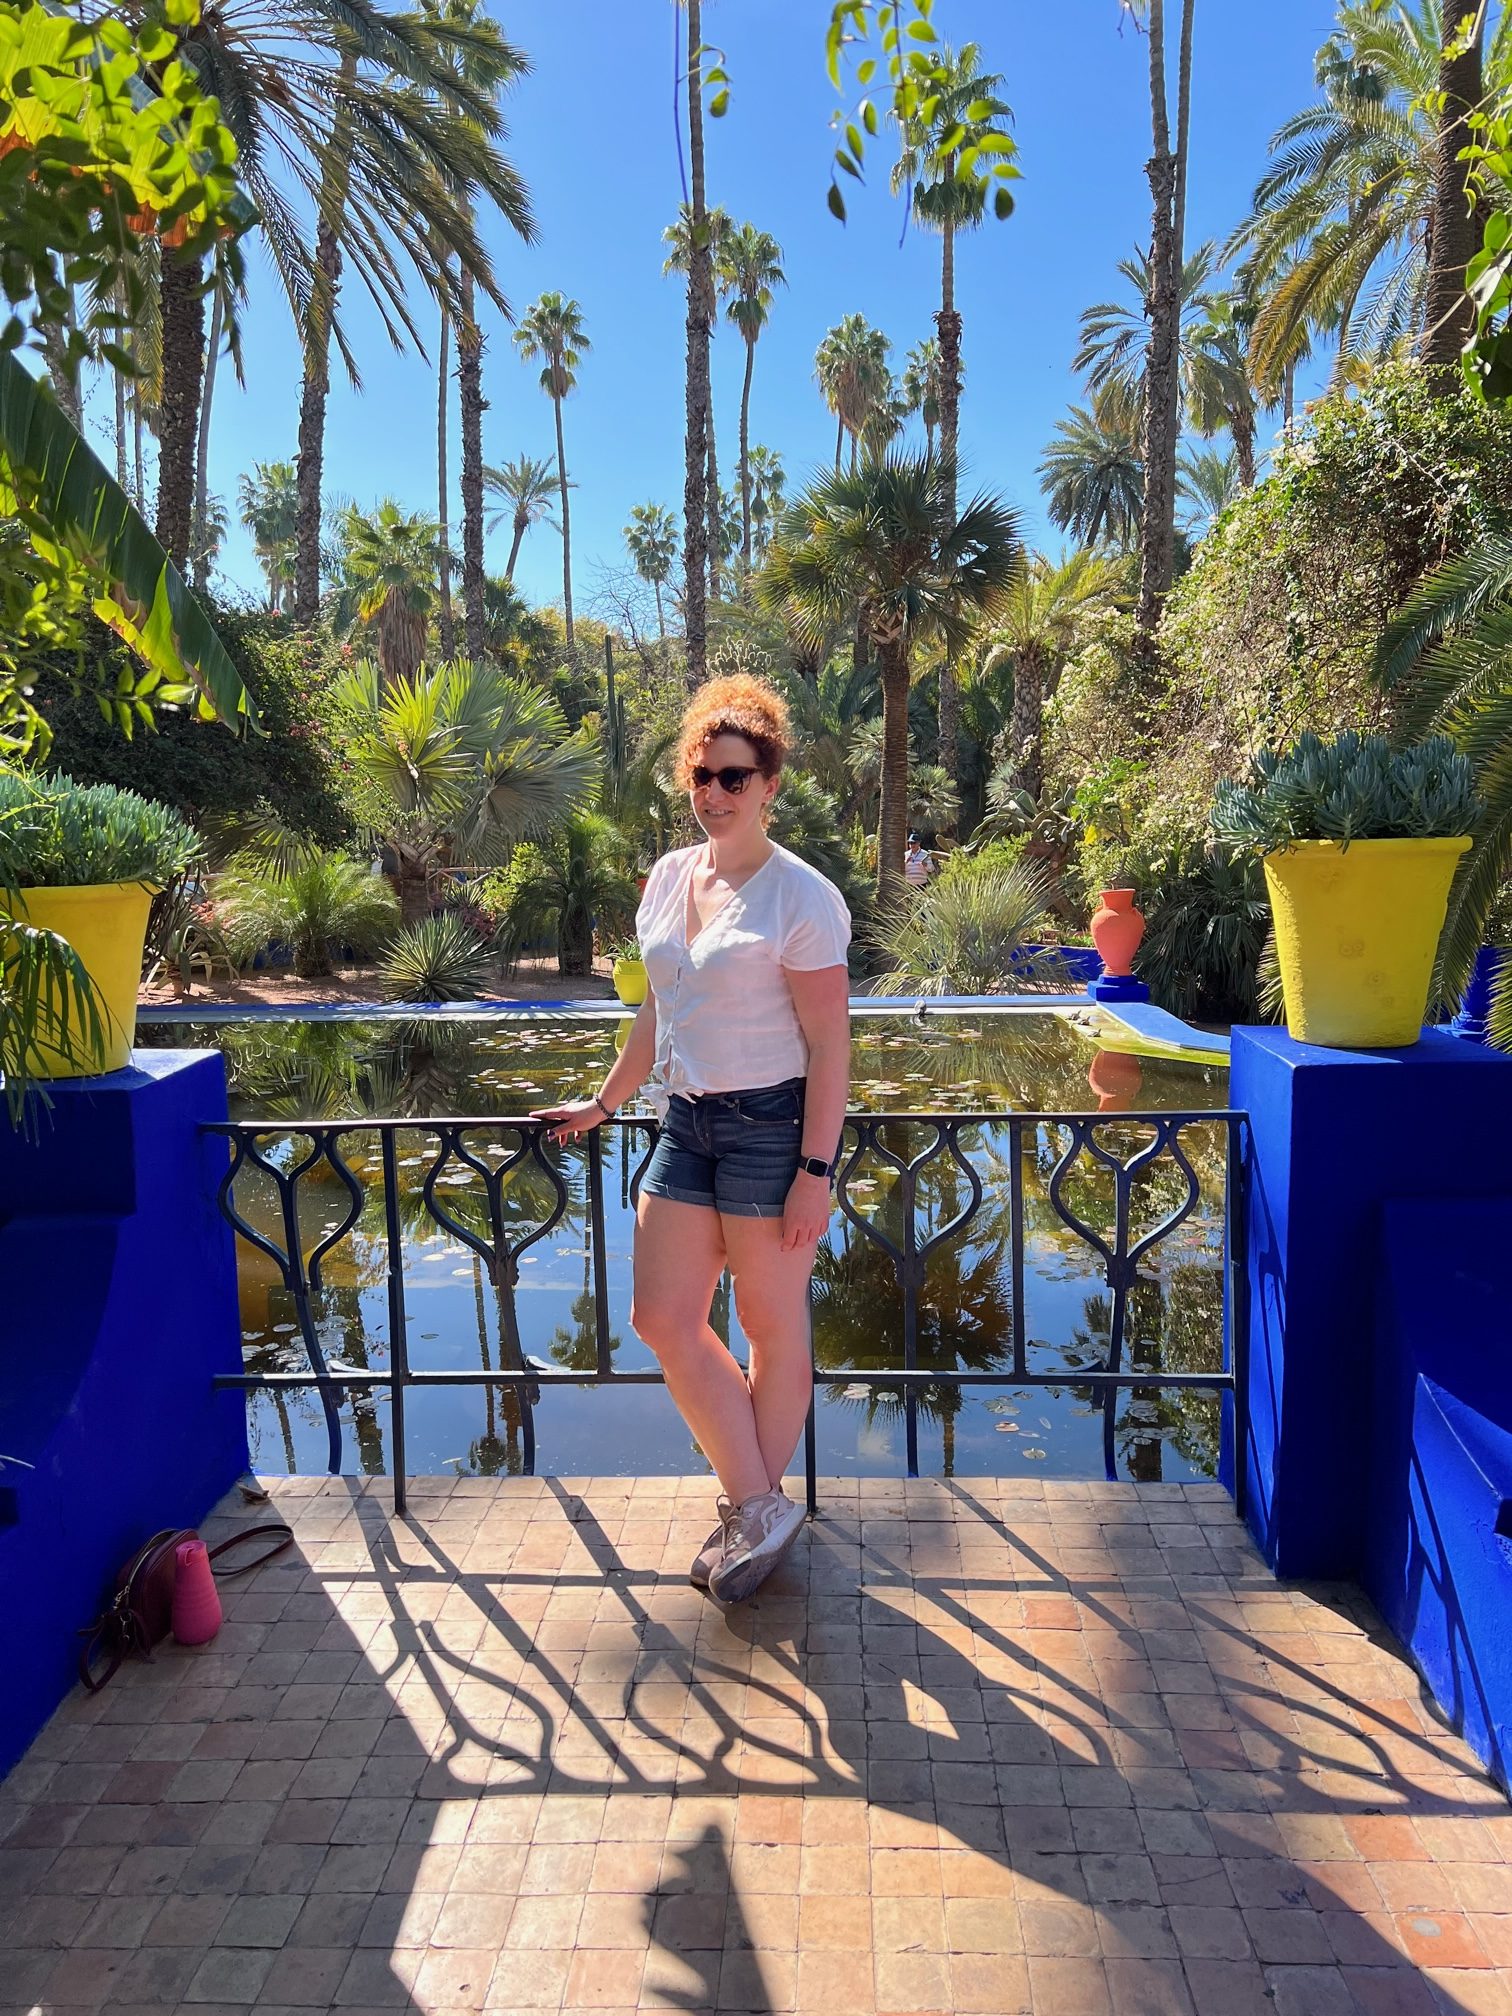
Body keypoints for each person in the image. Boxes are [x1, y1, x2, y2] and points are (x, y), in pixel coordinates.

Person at [533, 675, 851, 1608]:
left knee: (767, 1326)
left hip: (770, 1129)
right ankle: (760, 1504)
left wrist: (815, 1171)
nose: (714, 793)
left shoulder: (801, 896)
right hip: (686, 1122)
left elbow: (832, 1043)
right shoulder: (673, 878)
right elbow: (656, 1012)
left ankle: (750, 1515)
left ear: (770, 784)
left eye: (734, 778)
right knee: (661, 1318)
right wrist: (603, 1102)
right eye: (702, 776)